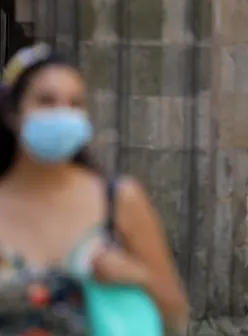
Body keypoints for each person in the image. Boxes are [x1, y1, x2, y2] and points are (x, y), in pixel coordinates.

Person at [0, 44, 188, 333]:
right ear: (13, 112)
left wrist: (136, 275)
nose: (62, 115)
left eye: (75, 103)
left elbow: (175, 311)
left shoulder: (119, 199)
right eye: (46, 101)